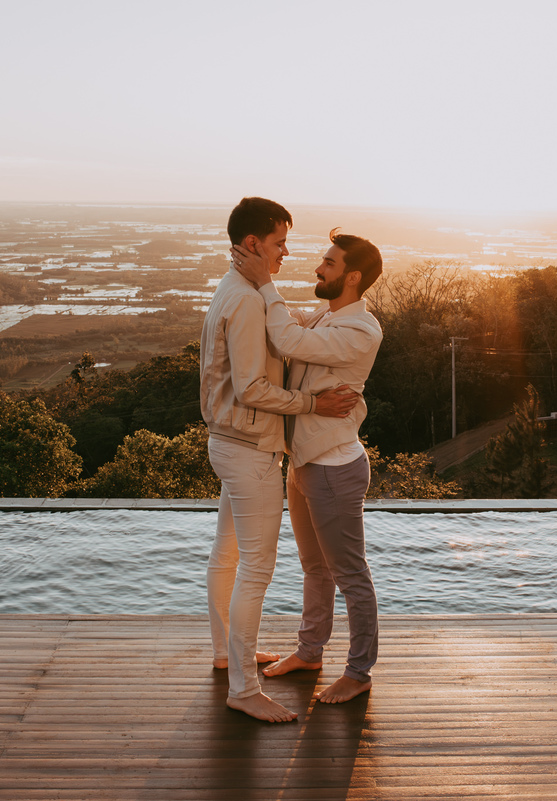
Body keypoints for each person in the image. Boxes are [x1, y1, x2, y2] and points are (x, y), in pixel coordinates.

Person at [199, 197, 358, 723]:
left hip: (227, 442)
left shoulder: (234, 287)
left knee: (227, 557)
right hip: (250, 447)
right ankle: (243, 689)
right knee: (256, 568)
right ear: (252, 244)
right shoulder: (246, 299)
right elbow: (251, 388)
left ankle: (228, 653)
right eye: (279, 243)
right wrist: (314, 403)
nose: (287, 252)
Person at [231, 228, 384, 705]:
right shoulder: (328, 314)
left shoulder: (361, 329)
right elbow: (295, 325)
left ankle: (358, 672)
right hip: (304, 464)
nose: (318, 268)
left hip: (335, 469)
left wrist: (263, 281)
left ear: (353, 276)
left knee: (350, 574)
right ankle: (310, 651)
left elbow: (288, 340)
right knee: (314, 567)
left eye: (329, 263)